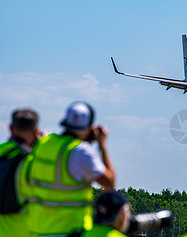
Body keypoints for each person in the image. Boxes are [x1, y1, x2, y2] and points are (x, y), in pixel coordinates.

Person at [26, 101, 116, 237]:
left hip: (40, 231)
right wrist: (102, 146)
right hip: (71, 231)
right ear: (89, 128)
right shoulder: (82, 152)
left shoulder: (43, 144)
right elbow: (110, 183)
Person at [0, 108, 41, 237]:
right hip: (25, 229)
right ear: (35, 131)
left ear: (11, 128)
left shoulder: (2, 151)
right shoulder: (34, 159)